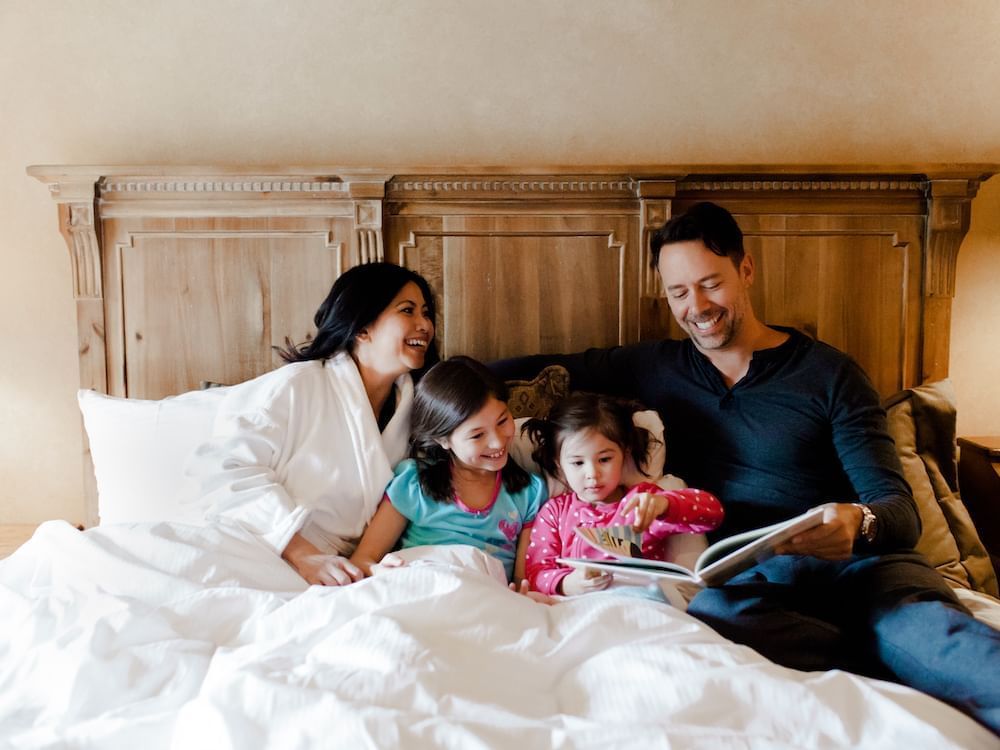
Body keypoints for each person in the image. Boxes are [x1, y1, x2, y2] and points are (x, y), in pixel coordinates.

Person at [491, 201, 1000, 735]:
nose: (697, 306)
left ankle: (897, 644)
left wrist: (859, 523)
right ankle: (876, 653)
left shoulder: (829, 374)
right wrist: (416, 379)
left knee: (939, 641)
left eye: (711, 284)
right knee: (713, 615)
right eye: (679, 292)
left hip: (863, 569)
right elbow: (548, 368)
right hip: (759, 583)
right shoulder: (654, 367)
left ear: (746, 270)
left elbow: (899, 512)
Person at [187, 262, 437, 586]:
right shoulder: (296, 386)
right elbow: (220, 470)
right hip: (263, 551)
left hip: (348, 572)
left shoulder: (417, 409)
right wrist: (303, 554)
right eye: (408, 311)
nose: (424, 325)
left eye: (427, 313)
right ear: (362, 328)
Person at [348, 356, 548, 583]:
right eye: (477, 435)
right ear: (442, 440)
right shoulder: (415, 482)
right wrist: (379, 571)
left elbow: (524, 583)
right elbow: (362, 560)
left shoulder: (530, 493)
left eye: (502, 421)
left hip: (485, 595)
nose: (498, 442)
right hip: (421, 584)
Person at [522, 391, 723, 596]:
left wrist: (665, 505)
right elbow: (536, 573)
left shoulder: (642, 502)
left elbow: (713, 514)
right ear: (558, 463)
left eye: (605, 459)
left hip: (640, 603)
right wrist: (567, 584)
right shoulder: (554, 513)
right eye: (578, 463)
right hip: (577, 609)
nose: (592, 474)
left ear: (624, 454)